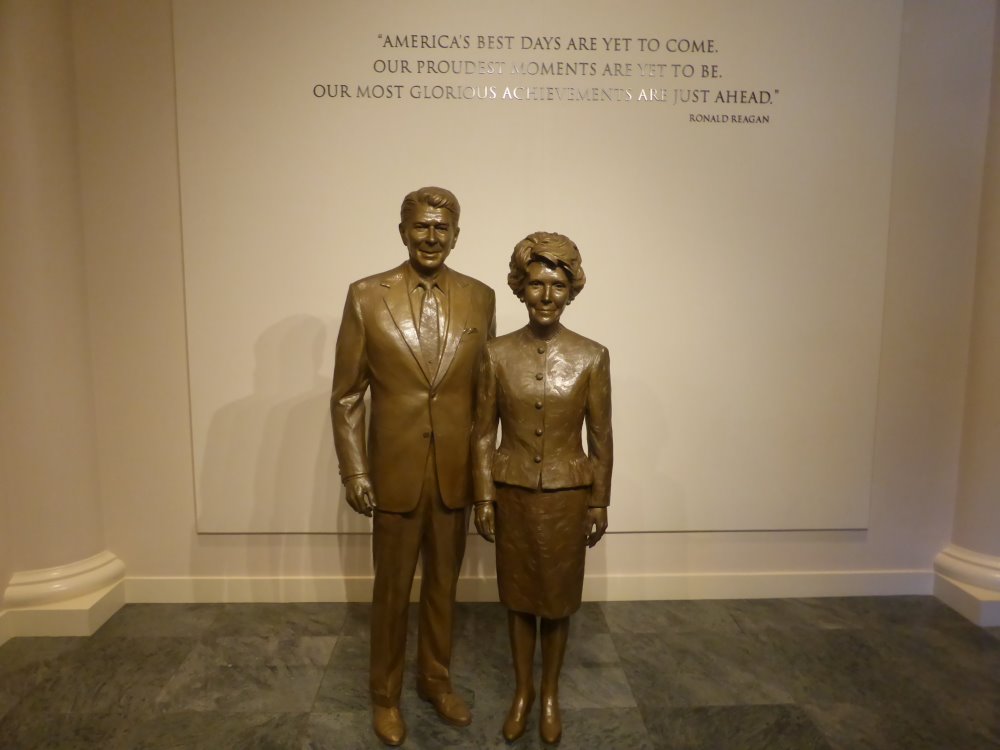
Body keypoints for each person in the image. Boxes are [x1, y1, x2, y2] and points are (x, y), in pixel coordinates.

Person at [331, 186, 496, 746]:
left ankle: (436, 680)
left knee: (444, 587)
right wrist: (355, 471)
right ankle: (385, 695)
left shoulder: (481, 298)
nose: (431, 237)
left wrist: (485, 481)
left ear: (456, 234)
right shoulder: (365, 296)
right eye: (421, 226)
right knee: (391, 589)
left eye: (441, 228)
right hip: (393, 474)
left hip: (454, 475)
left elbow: (485, 399)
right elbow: (347, 395)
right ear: (402, 231)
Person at [473, 231, 612, 744]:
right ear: (520, 288)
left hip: (567, 495)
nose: (546, 296)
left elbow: (601, 434)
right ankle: (522, 691)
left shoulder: (592, 357)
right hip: (510, 492)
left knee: (557, 601)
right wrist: (483, 495)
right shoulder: (495, 354)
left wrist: (599, 499)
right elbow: (483, 431)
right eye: (535, 284)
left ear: (572, 288)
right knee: (517, 598)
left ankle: (550, 693)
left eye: (556, 285)